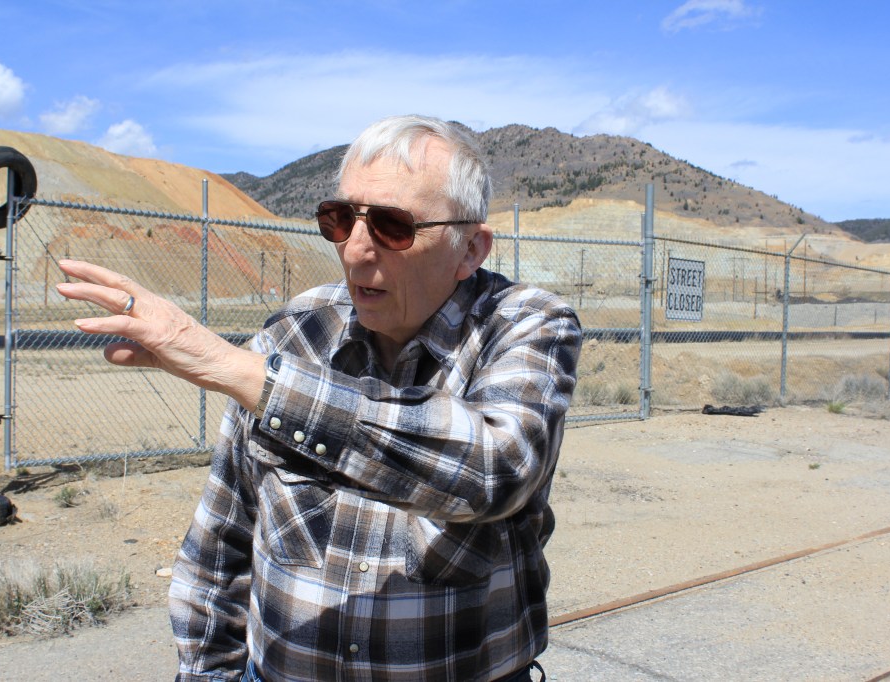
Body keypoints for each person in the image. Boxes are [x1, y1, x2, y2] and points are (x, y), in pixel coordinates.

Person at [57, 114, 582, 682]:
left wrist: (239, 370)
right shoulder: (294, 334)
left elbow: (495, 469)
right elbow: (224, 538)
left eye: (391, 226)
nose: (355, 250)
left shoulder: (525, 326)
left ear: (468, 249)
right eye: (340, 220)